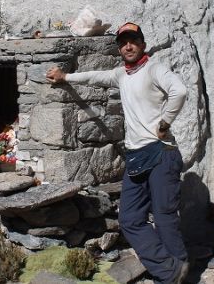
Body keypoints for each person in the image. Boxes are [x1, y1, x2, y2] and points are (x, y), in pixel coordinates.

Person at [46, 22, 189, 284]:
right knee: (130, 219)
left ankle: (175, 276)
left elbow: (180, 91)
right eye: (123, 43)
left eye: (133, 40)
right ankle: (171, 271)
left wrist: (165, 122)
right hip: (136, 156)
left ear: (142, 44)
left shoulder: (154, 69)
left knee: (165, 217)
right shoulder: (122, 74)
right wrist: (65, 77)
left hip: (161, 152)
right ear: (119, 49)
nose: (128, 46)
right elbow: (95, 77)